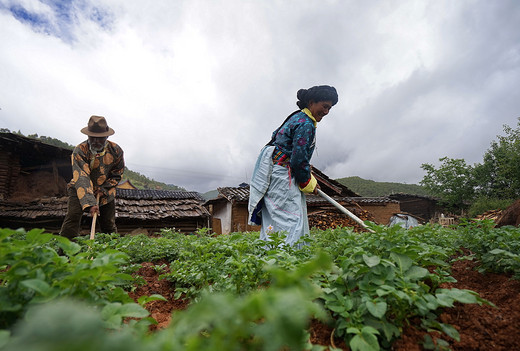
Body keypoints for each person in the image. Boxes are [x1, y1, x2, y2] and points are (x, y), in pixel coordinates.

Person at [248, 85, 338, 246]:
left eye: (329, 108)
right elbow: (298, 159)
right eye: (324, 107)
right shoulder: (306, 124)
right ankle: (285, 265)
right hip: (283, 176)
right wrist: (306, 182)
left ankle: (268, 258)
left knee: (274, 220)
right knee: (289, 220)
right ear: (311, 102)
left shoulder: (296, 117)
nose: (326, 112)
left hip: (275, 173)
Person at [59, 115, 125, 239]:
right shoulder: (80, 150)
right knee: (72, 218)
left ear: (107, 136)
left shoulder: (116, 150)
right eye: (92, 138)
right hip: (80, 188)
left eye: (99, 138)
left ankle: (112, 253)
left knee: (108, 224)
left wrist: (104, 188)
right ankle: (65, 254)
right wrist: (90, 203)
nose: (95, 141)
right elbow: (82, 176)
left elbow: (117, 173)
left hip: (105, 190)